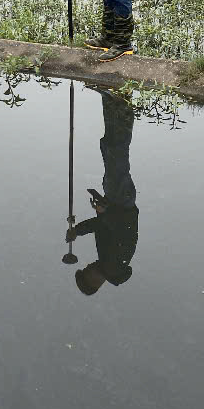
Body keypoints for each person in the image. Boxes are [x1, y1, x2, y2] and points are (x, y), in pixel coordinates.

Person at [66, 91, 138, 295]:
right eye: (87, 272)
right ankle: (122, 102)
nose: (88, 267)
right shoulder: (114, 265)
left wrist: (78, 230)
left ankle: (111, 100)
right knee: (117, 152)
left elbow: (101, 226)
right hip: (121, 201)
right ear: (93, 281)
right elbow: (124, 228)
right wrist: (104, 213)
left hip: (116, 199)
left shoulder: (107, 261)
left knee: (109, 148)